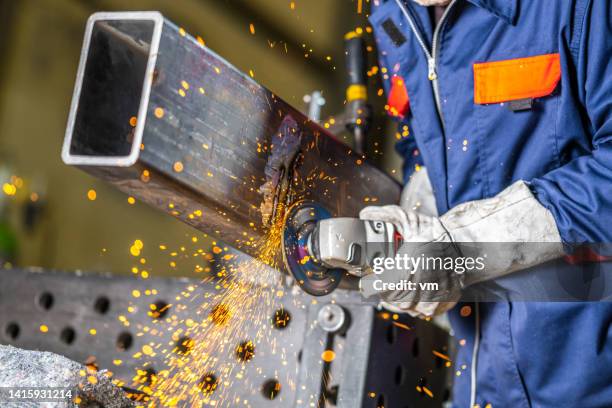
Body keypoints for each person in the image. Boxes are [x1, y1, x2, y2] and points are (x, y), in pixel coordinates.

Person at [363, 0, 612, 406]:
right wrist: (420, 217)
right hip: (483, 380)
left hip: (592, 378)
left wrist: (468, 244)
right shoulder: (391, 12)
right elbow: (421, 142)